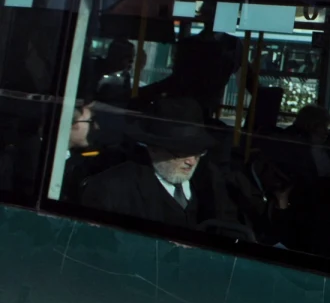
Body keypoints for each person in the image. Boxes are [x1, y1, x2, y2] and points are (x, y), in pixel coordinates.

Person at [80, 97, 241, 232]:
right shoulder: (112, 189)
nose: (191, 161)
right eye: (181, 153)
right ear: (153, 148)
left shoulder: (211, 181)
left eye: (198, 152)